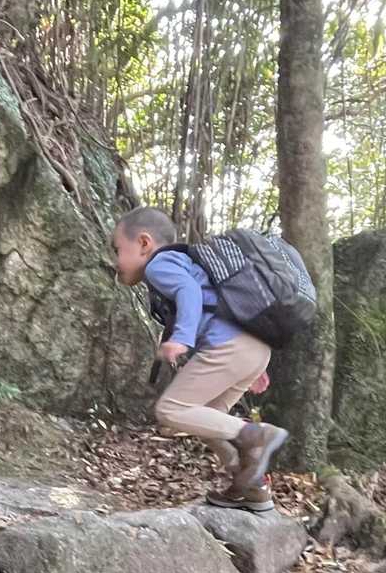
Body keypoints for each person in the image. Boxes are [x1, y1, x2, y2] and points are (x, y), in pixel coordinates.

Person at [111, 206, 289, 512]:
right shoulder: (190, 263)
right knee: (207, 418)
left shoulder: (159, 265)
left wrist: (181, 337)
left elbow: (189, 291)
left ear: (143, 243)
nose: (115, 260)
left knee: (170, 409)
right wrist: (252, 367)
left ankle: (256, 435)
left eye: (117, 250)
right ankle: (252, 486)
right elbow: (217, 307)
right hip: (253, 348)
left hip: (231, 348)